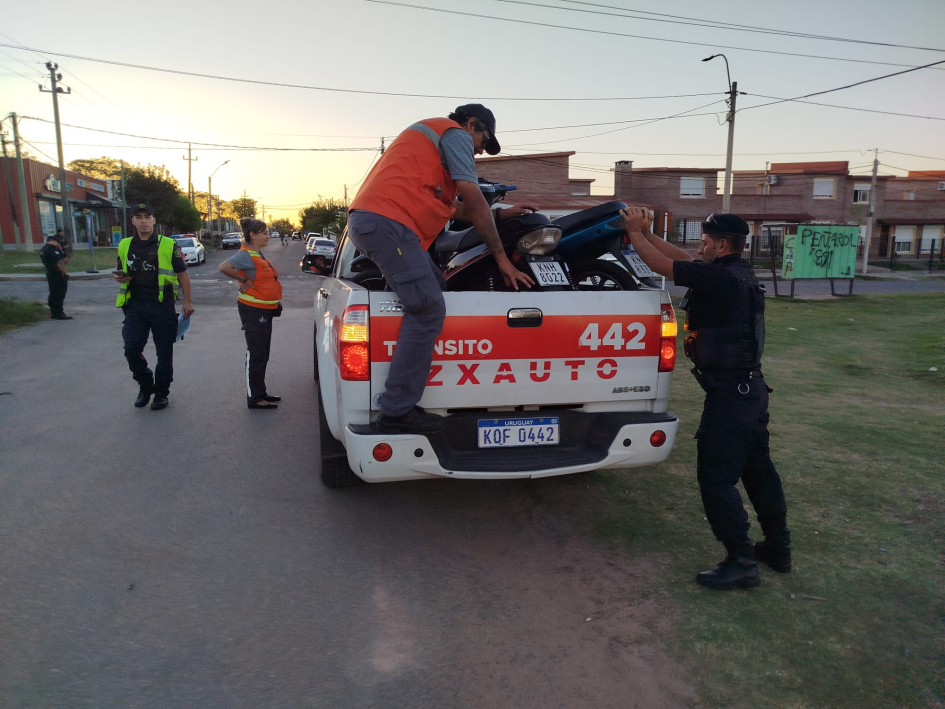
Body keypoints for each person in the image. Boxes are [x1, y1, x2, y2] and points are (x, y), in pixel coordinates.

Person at [621, 207, 790, 591]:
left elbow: (665, 266)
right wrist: (647, 232)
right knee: (757, 470)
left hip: (731, 396)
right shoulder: (732, 273)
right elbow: (682, 259)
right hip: (749, 394)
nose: (700, 247)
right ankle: (778, 549)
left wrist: (634, 233)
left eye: (706, 241)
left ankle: (741, 560)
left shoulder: (721, 279)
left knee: (716, 478)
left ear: (723, 244)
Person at [347, 103, 536, 434]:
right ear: (472, 124)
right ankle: (397, 411)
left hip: (382, 222)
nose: (479, 150)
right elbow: (473, 197)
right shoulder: (453, 133)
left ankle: (407, 371)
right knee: (428, 307)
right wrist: (502, 259)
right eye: (483, 140)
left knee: (437, 283)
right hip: (389, 223)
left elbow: (459, 210)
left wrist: (503, 215)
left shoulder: (428, 154)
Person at [113, 204, 195, 411]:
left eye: (147, 217)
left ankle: (161, 394)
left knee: (164, 353)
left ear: (153, 220)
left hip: (162, 306)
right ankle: (145, 384)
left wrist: (187, 301)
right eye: (138, 217)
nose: (143, 221)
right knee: (131, 348)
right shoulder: (124, 244)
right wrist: (122, 278)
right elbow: (121, 271)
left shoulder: (168, 244)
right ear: (132, 221)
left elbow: (182, 273)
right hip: (135, 306)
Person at [218, 218, 283, 409]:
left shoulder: (257, 254)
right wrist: (242, 280)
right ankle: (254, 398)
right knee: (255, 353)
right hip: (254, 312)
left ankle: (260, 392)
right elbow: (223, 267)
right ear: (252, 235)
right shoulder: (245, 255)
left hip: (265, 310)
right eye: (264, 233)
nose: (267, 236)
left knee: (263, 353)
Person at [39, 235, 72, 320]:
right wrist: (65, 273)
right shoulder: (52, 250)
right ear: (54, 241)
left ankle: (54, 312)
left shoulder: (43, 249)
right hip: (57, 274)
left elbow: (64, 259)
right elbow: (60, 263)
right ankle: (59, 313)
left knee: (53, 293)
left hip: (50, 273)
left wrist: (61, 249)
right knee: (59, 294)